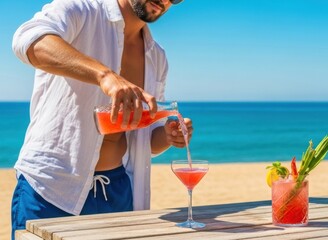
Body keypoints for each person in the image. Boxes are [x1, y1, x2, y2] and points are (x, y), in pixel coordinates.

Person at [11, 0, 192, 238]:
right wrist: (103, 75)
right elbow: (28, 39)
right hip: (53, 186)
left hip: (118, 190)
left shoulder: (157, 56)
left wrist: (168, 135)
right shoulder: (80, 10)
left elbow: (145, 140)